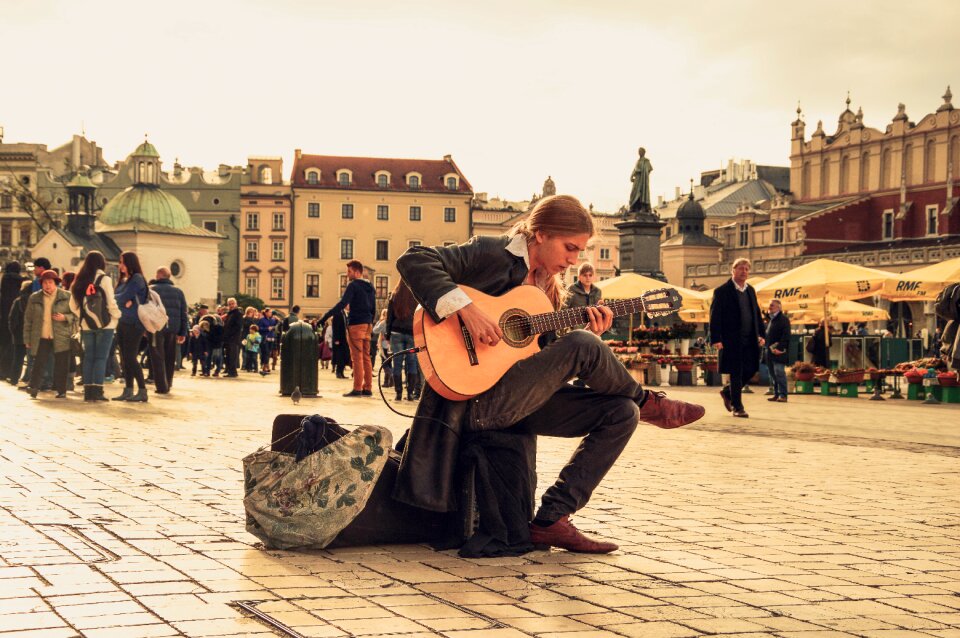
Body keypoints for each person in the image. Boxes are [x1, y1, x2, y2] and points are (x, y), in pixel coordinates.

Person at [395, 194, 705, 554]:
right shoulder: (491, 252)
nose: (574, 259)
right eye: (570, 247)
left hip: (516, 400)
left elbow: (538, 358)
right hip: (474, 402)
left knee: (621, 412)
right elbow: (414, 259)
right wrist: (468, 311)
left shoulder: (549, 291)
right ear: (540, 234)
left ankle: (552, 519)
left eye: (580, 251)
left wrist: (590, 337)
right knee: (581, 345)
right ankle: (651, 402)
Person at [710, 258, 765, 418]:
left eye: (747, 269)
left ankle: (728, 392)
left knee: (752, 368)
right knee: (736, 372)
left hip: (750, 338)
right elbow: (715, 316)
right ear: (733, 270)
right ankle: (737, 407)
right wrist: (716, 338)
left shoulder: (750, 290)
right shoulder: (722, 291)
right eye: (741, 268)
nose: (744, 272)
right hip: (731, 339)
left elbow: (756, 314)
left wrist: (761, 334)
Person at [68, 251, 121, 401]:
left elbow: (72, 305)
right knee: (101, 358)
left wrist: (84, 315)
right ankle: (97, 391)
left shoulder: (79, 280)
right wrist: (116, 316)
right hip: (106, 325)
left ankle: (88, 391)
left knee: (89, 357)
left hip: (86, 325)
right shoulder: (104, 279)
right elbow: (111, 302)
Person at [320, 260, 376, 397]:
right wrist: (370, 321)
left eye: (349, 272)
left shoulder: (353, 285)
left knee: (357, 358)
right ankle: (367, 388)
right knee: (366, 357)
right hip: (368, 324)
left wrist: (324, 317)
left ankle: (357, 388)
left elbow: (343, 303)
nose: (347, 275)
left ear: (357, 272)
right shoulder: (370, 286)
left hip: (356, 324)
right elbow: (373, 308)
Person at [23, 270, 76, 398]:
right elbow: (28, 319)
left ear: (56, 283)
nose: (47, 285)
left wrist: (65, 317)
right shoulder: (34, 297)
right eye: (45, 282)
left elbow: (76, 316)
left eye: (50, 282)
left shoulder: (66, 296)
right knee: (38, 363)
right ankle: (34, 387)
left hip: (61, 336)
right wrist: (27, 339)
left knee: (61, 364)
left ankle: (61, 390)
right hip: (42, 336)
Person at [113, 251, 149, 402]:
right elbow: (119, 298)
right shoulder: (124, 280)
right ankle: (128, 390)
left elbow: (121, 298)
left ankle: (142, 390)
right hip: (122, 322)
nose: (120, 265)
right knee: (124, 358)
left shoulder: (137, 279)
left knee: (131, 357)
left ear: (130, 263)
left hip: (134, 324)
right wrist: (123, 301)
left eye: (122, 262)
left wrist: (124, 301)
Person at [148, 267, 189, 393]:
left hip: (156, 327)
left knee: (157, 356)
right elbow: (184, 313)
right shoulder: (178, 292)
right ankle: (168, 382)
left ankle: (161, 386)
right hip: (172, 328)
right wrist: (183, 332)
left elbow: (146, 310)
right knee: (170, 356)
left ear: (158, 275)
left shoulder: (151, 290)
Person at [563, 263, 602, 387]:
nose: (588, 278)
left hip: (593, 329)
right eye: (585, 275)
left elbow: (598, 309)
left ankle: (584, 384)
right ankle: (577, 385)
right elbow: (564, 309)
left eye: (590, 275)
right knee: (578, 358)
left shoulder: (597, 291)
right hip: (576, 330)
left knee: (590, 358)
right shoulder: (571, 289)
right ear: (579, 276)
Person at [385, 280, 420, 401]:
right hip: (412, 333)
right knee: (412, 363)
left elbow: (389, 317)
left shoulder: (395, 294)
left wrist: (387, 335)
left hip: (396, 332)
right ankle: (410, 393)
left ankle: (398, 393)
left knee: (397, 364)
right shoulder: (416, 293)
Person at [0, 261, 25, 380]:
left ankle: (1, 371)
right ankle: (9, 372)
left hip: (3, 317)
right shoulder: (21, 281)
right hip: (16, 317)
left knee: (3, 344)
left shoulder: (3, 280)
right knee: (13, 346)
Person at [764, 299, 791, 403]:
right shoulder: (772, 320)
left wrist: (780, 349)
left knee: (779, 372)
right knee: (772, 374)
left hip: (778, 352)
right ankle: (776, 394)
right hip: (770, 351)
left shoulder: (783, 319)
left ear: (779, 307)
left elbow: (786, 336)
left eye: (772, 305)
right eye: (769, 305)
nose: (769, 307)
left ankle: (783, 395)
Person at [221, 297, 244, 378]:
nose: (231, 305)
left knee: (232, 356)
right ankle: (229, 370)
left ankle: (233, 372)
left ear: (236, 304)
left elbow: (238, 327)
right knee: (228, 355)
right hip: (228, 338)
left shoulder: (238, 313)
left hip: (233, 338)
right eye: (229, 304)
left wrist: (230, 334)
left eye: (232, 304)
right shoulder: (230, 313)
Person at [257, 308, 278, 375]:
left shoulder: (272, 320)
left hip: (271, 338)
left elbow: (276, 326)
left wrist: (277, 321)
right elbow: (259, 328)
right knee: (265, 352)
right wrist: (267, 328)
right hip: (264, 338)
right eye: (269, 312)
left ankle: (265, 365)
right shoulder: (262, 320)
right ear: (265, 313)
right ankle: (265, 366)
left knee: (268, 352)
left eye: (271, 312)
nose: (270, 314)